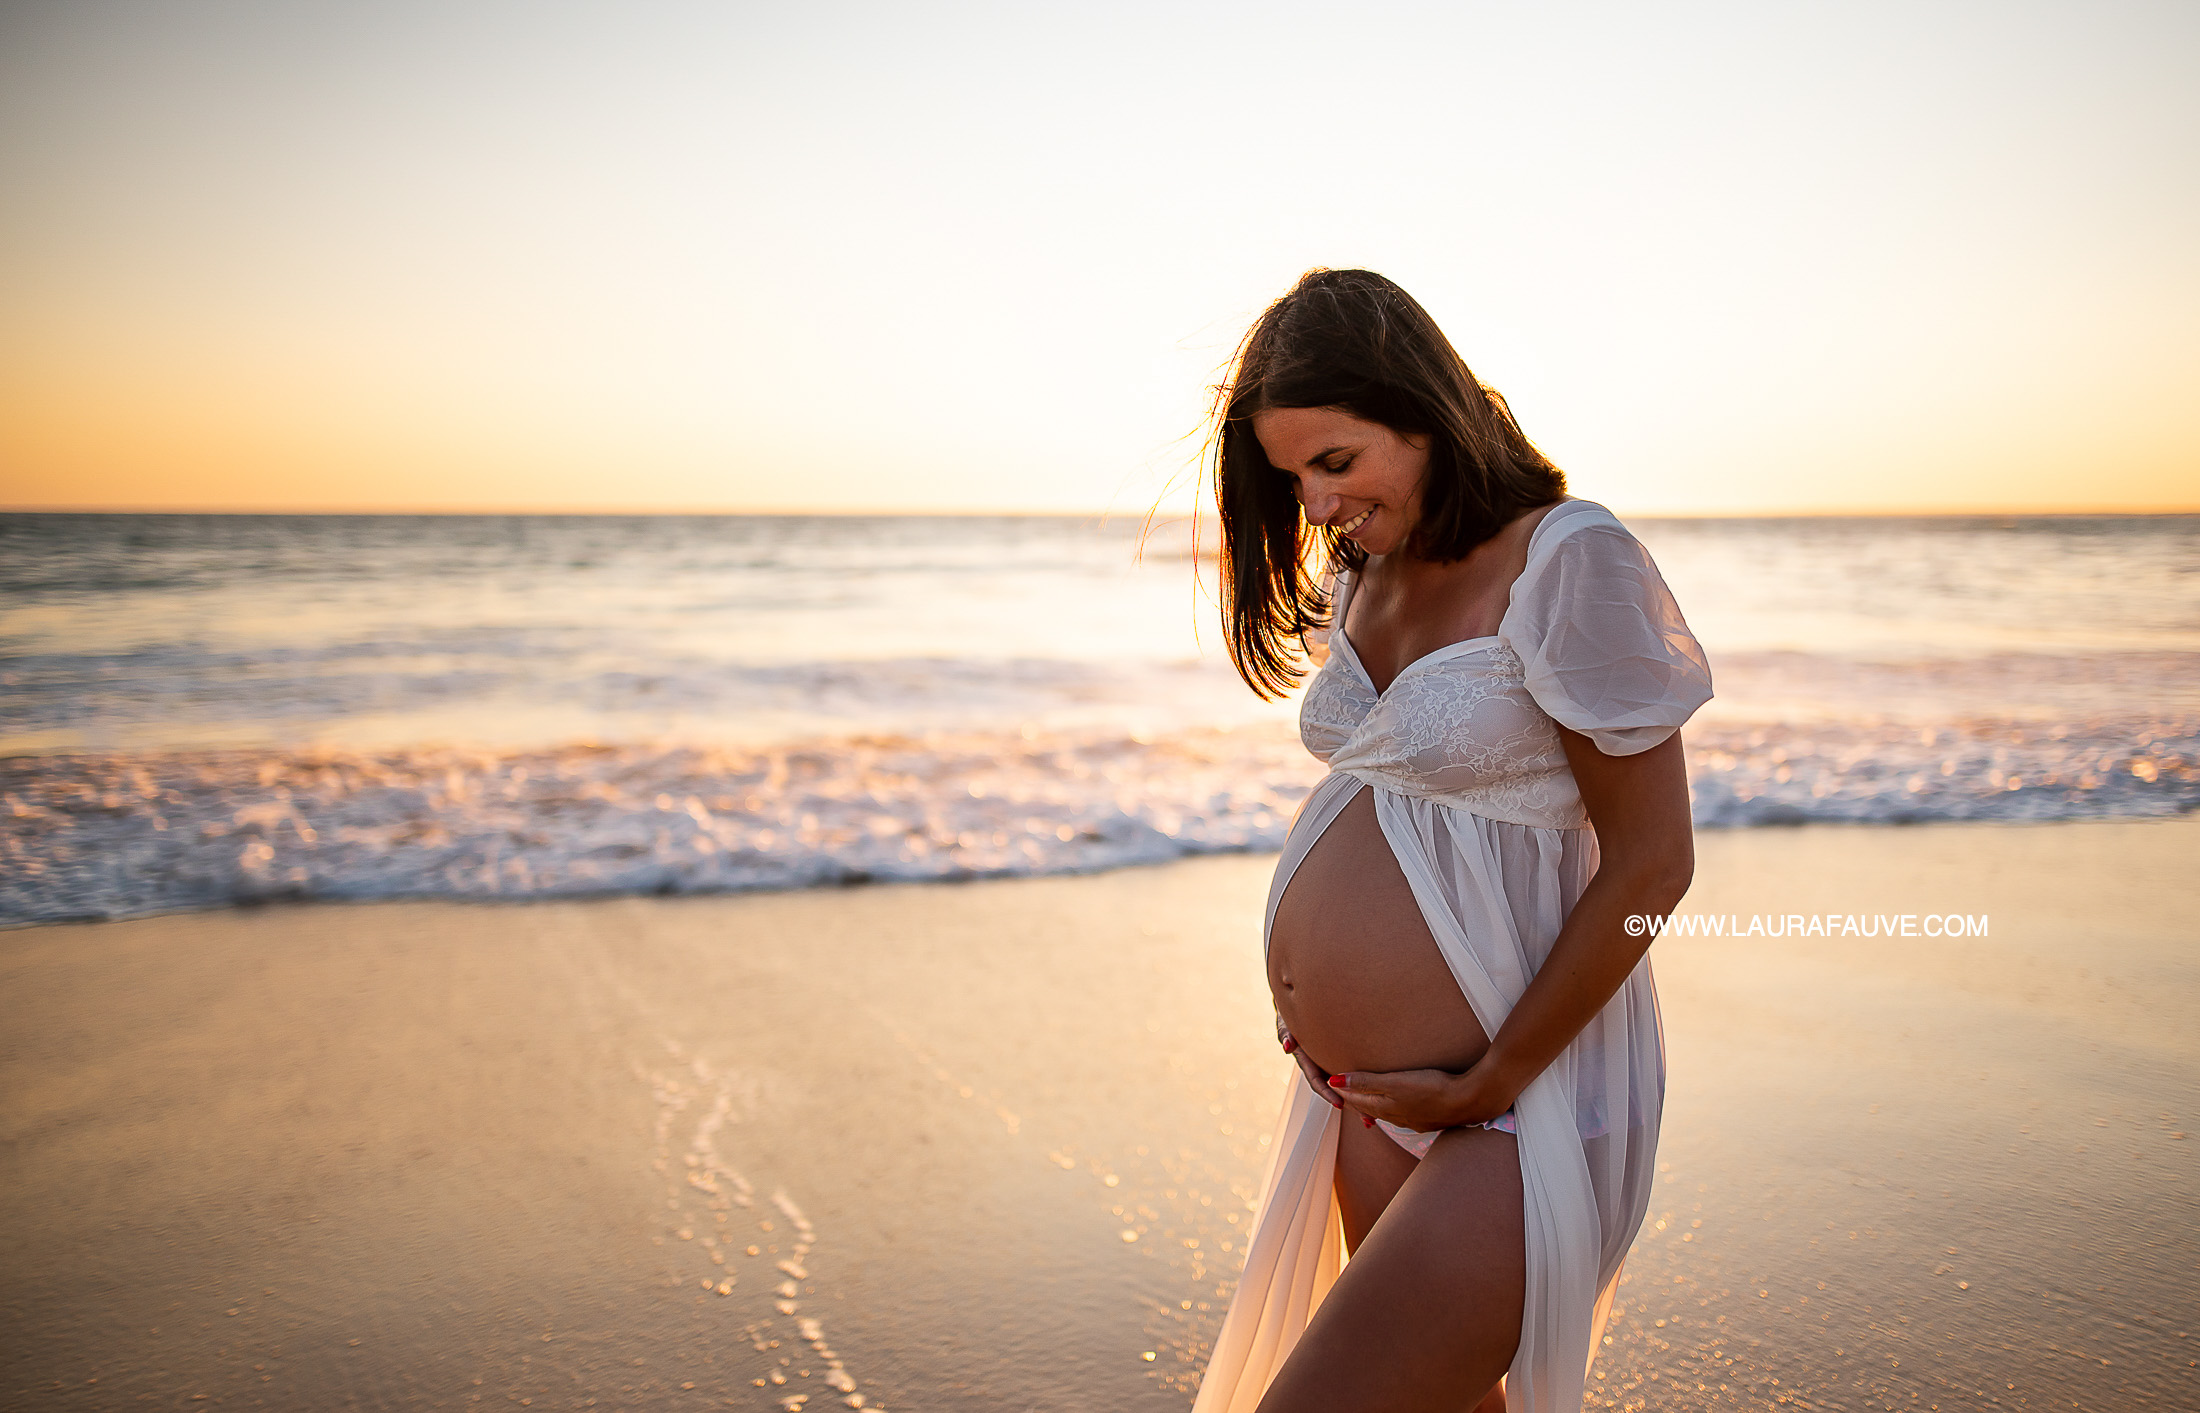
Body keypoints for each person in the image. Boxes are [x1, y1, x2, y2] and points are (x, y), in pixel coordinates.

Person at [1190, 269, 1713, 1413]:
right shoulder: (1365, 569)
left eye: (1336, 462)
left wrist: (1493, 1073)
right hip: (1366, 1098)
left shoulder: (1568, 557)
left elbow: (1650, 865)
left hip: (1520, 1100)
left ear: (1425, 414)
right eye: (1291, 478)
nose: (1316, 506)